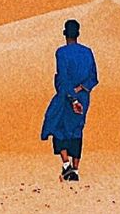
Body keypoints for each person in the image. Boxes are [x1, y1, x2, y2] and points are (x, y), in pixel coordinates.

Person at [41, 18, 98, 181]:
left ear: (65, 34)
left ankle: (66, 165)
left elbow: (63, 78)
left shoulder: (61, 52)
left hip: (66, 97)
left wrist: (72, 98)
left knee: (57, 126)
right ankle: (75, 169)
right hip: (83, 96)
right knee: (77, 129)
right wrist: (80, 90)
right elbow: (93, 78)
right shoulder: (87, 52)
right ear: (78, 34)